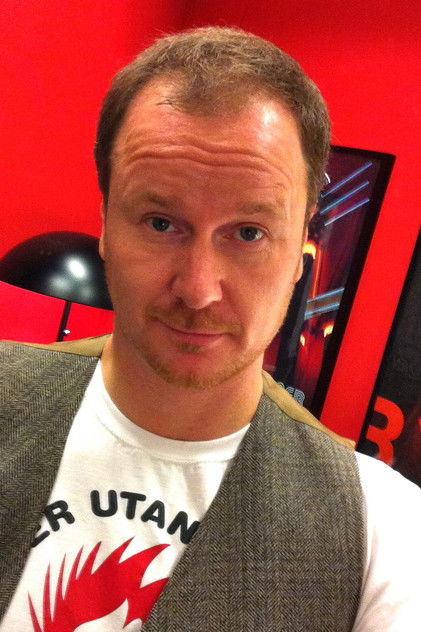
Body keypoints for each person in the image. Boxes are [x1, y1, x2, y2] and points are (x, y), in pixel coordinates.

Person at [0, 26, 420, 632]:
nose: (199, 289)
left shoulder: (383, 532)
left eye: (248, 233)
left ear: (300, 251)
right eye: (161, 223)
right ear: (106, 224)